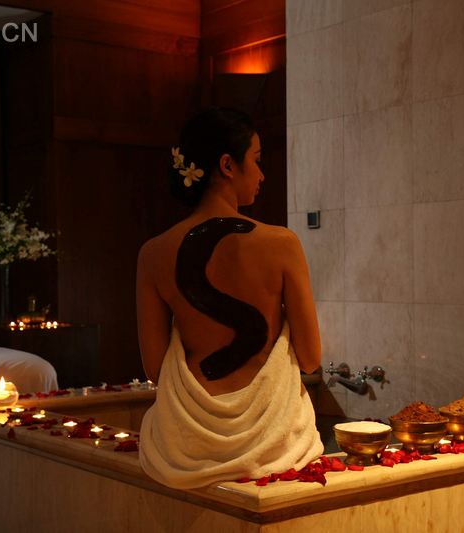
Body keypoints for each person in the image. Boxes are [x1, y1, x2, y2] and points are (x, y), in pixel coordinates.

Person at [136, 107, 324, 489]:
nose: (261, 174)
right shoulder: (281, 244)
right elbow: (310, 358)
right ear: (227, 165)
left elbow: (155, 369)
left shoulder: (153, 254)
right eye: (256, 160)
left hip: (188, 444)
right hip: (272, 439)